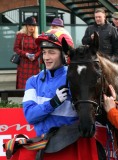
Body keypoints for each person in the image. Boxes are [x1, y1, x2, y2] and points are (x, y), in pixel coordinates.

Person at [12, 29, 99, 160]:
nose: (46, 57)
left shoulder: (75, 79)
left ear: (64, 55)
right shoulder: (33, 81)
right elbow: (30, 116)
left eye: (52, 52)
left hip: (70, 147)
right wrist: (53, 103)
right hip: (42, 147)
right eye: (44, 52)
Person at [13, 16, 40, 89]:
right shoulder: (20, 35)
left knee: (34, 85)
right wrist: (26, 54)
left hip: (34, 64)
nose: (32, 27)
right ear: (26, 26)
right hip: (23, 64)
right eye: (30, 25)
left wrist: (35, 56)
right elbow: (16, 48)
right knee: (23, 87)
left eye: (34, 25)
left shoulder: (37, 37)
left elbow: (40, 50)